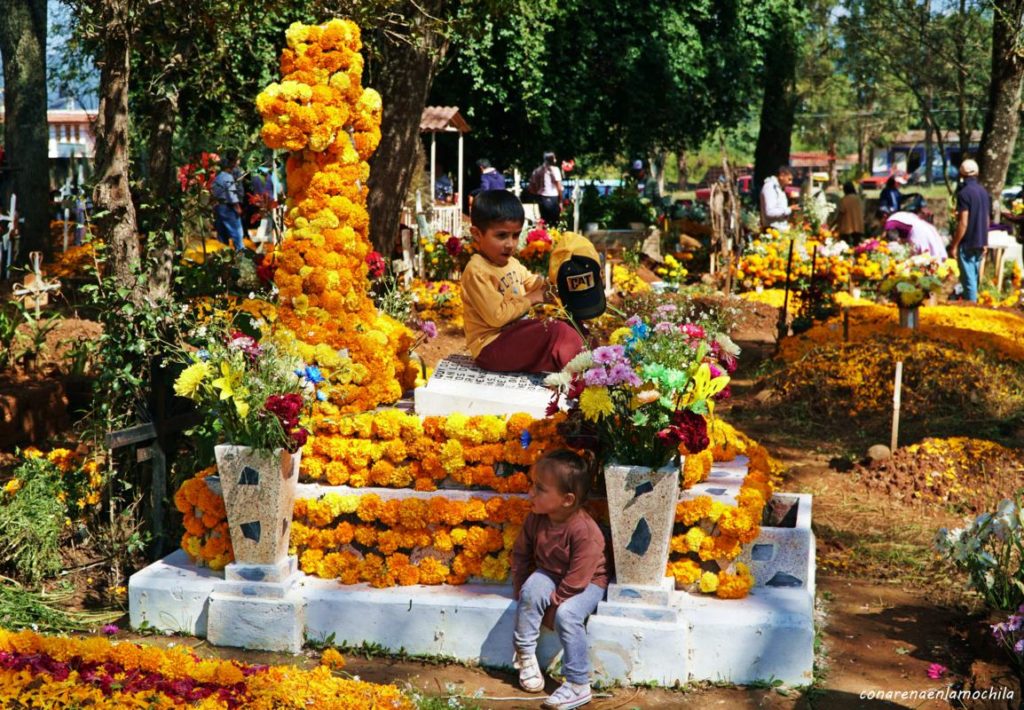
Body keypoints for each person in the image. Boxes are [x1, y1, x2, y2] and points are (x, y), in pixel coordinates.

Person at [511, 449, 608, 709]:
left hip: (588, 583)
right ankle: (525, 652)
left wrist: (554, 605)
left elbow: (579, 577)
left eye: (540, 489)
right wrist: (522, 588)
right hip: (551, 574)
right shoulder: (536, 519)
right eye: (533, 485)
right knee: (532, 589)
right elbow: (520, 554)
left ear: (567, 500)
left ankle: (578, 683)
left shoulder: (584, 531)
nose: (531, 492)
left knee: (567, 615)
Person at [462, 190, 584, 373]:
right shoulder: (477, 270)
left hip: (513, 339)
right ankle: (582, 378)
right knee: (555, 332)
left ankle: (593, 369)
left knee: (571, 325)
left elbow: (536, 284)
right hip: (490, 347)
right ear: (477, 234)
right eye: (502, 236)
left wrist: (563, 283)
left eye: (515, 235)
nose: (510, 244)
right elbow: (497, 316)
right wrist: (532, 298)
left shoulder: (511, 263)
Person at [949, 158, 991, 302]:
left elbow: (963, 223)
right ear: (977, 172)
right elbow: (986, 219)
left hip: (967, 243)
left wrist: (954, 245)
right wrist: (985, 240)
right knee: (975, 279)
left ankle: (973, 312)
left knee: (969, 283)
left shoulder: (964, 193)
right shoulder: (984, 192)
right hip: (980, 241)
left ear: (961, 174)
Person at [210, 149, 245, 250]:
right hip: (228, 208)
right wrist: (237, 207)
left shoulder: (217, 177)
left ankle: (223, 257)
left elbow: (213, 193)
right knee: (237, 234)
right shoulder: (228, 177)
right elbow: (232, 195)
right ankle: (241, 254)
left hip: (219, 208)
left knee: (222, 234)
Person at [527, 152, 564, 225]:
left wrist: (536, 193)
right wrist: (561, 200)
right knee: (554, 221)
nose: (556, 160)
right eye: (554, 158)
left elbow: (531, 186)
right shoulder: (555, 170)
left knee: (544, 220)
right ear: (552, 159)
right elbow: (558, 185)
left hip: (541, 197)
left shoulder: (537, 170)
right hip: (553, 197)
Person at [760, 165, 795, 231]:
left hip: (780, 230)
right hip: (772, 232)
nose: (791, 183)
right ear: (782, 176)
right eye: (789, 179)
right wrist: (788, 209)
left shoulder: (778, 188)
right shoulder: (770, 187)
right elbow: (769, 212)